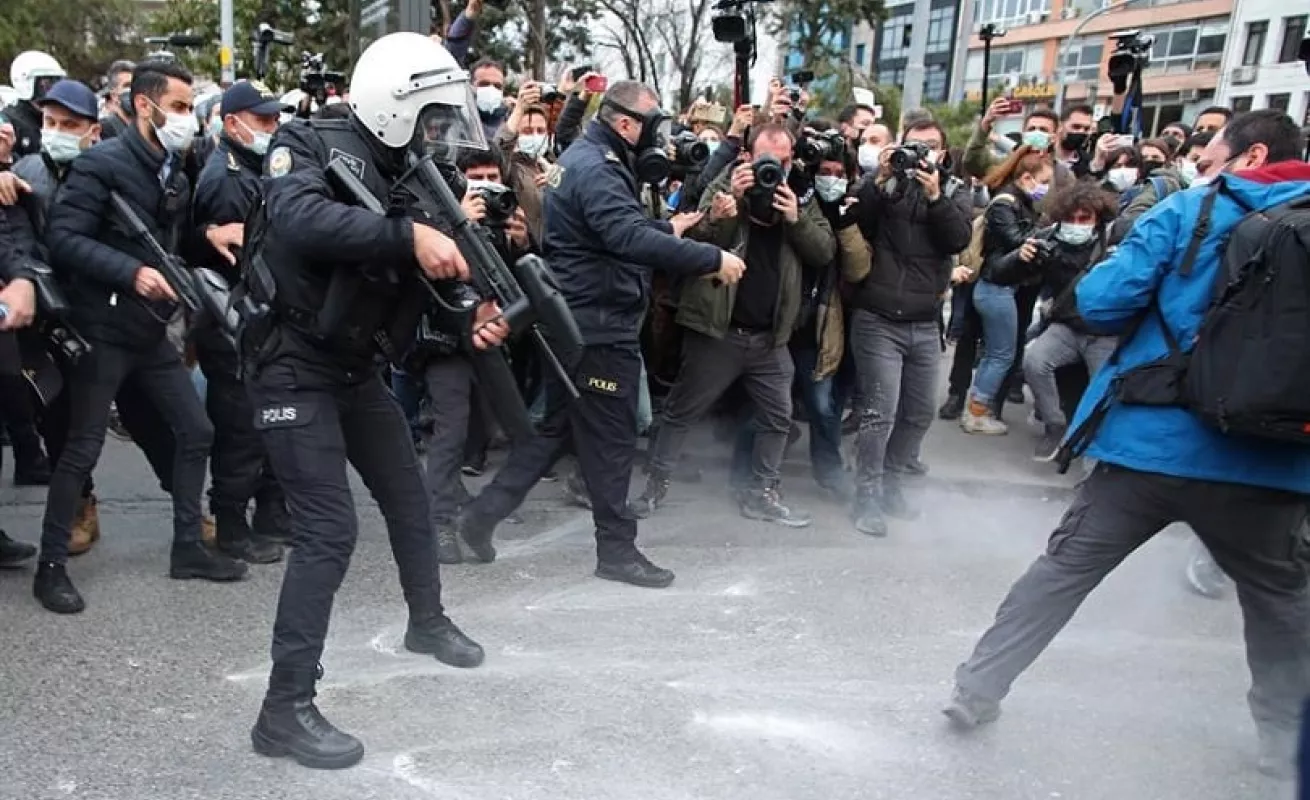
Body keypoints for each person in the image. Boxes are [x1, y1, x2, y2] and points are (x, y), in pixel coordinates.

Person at [945, 109, 1310, 782]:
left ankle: (977, 689)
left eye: (1212, 157)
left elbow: (1104, 300)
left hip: (1154, 441)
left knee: (1063, 571)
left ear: (1252, 155)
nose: (1204, 168)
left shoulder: (1192, 211)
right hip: (1276, 460)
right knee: (1279, 603)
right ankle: (1282, 738)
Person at [242, 33, 507, 769]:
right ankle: (283, 711)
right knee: (329, 531)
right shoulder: (306, 142)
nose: (438, 134)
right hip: (289, 363)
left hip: (355, 367)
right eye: (429, 116)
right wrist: (406, 234)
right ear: (394, 107)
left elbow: (429, 280)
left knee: (410, 497)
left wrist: (471, 311)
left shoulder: (413, 175)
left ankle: (428, 622)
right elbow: (300, 220)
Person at [457, 80, 746, 589]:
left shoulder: (590, 158)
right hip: (597, 328)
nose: (664, 134)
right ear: (627, 123)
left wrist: (669, 230)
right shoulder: (599, 168)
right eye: (655, 123)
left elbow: (612, 233)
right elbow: (625, 237)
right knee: (612, 440)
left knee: (555, 431)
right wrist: (711, 258)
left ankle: (479, 520)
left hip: (581, 320)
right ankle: (617, 550)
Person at [34, 61, 243, 615]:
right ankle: (49, 568)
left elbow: (169, 243)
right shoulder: (101, 164)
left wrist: (207, 234)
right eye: (177, 107)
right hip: (101, 330)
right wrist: (129, 274)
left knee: (196, 430)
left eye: (187, 107)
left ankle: (187, 548)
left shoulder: (173, 169)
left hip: (147, 331)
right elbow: (64, 239)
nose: (186, 118)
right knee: (82, 450)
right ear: (145, 107)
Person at [636, 122, 836, 524]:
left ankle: (761, 493)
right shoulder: (728, 184)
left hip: (770, 336)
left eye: (783, 161)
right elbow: (699, 241)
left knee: (778, 417)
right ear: (747, 155)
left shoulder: (799, 193)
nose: (775, 169)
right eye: (767, 160)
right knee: (680, 411)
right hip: (719, 331)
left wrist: (795, 218)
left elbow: (824, 252)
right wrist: (730, 206)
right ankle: (653, 489)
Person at [844, 120, 973, 536]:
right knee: (879, 412)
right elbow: (857, 219)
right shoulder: (886, 186)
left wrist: (935, 196)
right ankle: (867, 495)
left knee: (919, 413)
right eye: (914, 146)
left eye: (930, 147)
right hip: (878, 318)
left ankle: (892, 485)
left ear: (944, 153)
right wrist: (879, 178)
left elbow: (957, 240)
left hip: (923, 323)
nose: (921, 155)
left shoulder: (954, 192)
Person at [191, 79, 289, 565]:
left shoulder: (252, 166)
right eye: (264, 120)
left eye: (275, 119)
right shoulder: (227, 179)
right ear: (233, 123)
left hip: (256, 321)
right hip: (232, 321)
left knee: (267, 423)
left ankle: (271, 513)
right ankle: (231, 524)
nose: (273, 128)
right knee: (241, 430)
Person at [1009, 181, 1119, 459]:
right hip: (1067, 325)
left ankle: (1091, 450)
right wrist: (1021, 259)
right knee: (1034, 361)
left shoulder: (1118, 242)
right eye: (1071, 218)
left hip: (1106, 331)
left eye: (1084, 218)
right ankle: (1054, 423)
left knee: (1103, 389)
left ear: (1098, 219)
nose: (1076, 224)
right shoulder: (1049, 239)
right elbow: (1003, 273)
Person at [960, 145, 1051, 435]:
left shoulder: (1016, 203)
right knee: (1001, 354)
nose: (1046, 189)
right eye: (1044, 181)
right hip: (995, 287)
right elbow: (1014, 240)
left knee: (996, 353)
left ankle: (977, 407)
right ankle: (976, 412)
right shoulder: (1005, 204)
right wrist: (1046, 234)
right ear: (1026, 178)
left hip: (1000, 288)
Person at [3, 51, 66, 158]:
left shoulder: (59, 117)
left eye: (56, 83)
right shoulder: (9, 121)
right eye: (46, 84)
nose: (52, 90)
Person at [98, 60, 135, 140]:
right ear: (114, 95)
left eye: (136, 85)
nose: (133, 90)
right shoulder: (105, 128)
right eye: (127, 86)